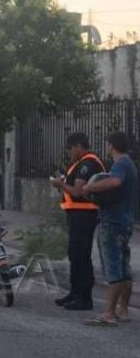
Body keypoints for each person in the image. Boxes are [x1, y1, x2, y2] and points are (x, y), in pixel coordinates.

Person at [82, 132, 137, 326]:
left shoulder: (120, 164)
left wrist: (89, 188)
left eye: (107, 143)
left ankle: (109, 314)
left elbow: (114, 182)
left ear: (111, 145)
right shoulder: (129, 163)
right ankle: (123, 310)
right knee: (123, 269)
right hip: (125, 222)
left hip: (112, 223)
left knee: (113, 268)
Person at [50, 133, 105, 311]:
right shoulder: (79, 163)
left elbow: (79, 191)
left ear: (79, 146)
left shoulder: (88, 164)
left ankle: (85, 297)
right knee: (74, 253)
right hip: (76, 215)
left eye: (71, 148)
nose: (70, 152)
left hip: (85, 215)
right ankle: (74, 292)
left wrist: (60, 184)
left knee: (81, 254)